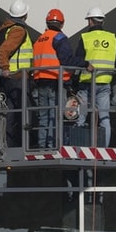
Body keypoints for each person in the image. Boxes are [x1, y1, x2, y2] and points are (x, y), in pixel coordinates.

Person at [32, 8, 84, 148]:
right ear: (62, 23)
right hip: (56, 81)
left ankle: (43, 145)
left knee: (44, 116)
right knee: (55, 116)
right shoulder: (59, 38)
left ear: (47, 22)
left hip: (41, 82)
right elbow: (67, 60)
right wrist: (85, 64)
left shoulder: (39, 40)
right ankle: (54, 144)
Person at [74, 6, 116, 146]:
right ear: (102, 21)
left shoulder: (85, 38)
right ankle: (104, 148)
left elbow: (78, 60)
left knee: (81, 116)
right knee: (105, 117)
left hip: (87, 82)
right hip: (105, 83)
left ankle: (79, 146)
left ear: (90, 21)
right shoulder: (112, 38)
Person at [0, 0, 33, 147]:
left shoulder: (7, 28)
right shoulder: (18, 30)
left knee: (12, 112)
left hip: (12, 78)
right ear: (25, 15)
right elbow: (4, 50)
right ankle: (24, 143)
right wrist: (5, 67)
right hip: (18, 77)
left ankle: (11, 142)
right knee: (24, 112)